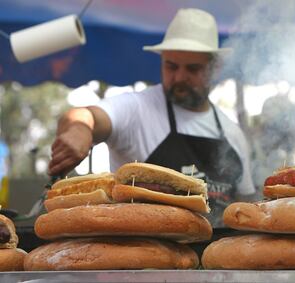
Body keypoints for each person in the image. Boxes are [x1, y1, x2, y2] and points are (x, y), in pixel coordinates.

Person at [48, 8, 256, 227]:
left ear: (215, 69)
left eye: (193, 69)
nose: (180, 77)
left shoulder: (233, 134)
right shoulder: (138, 109)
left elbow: (245, 209)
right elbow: (86, 115)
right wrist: (80, 130)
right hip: (144, 254)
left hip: (216, 257)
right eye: (171, 66)